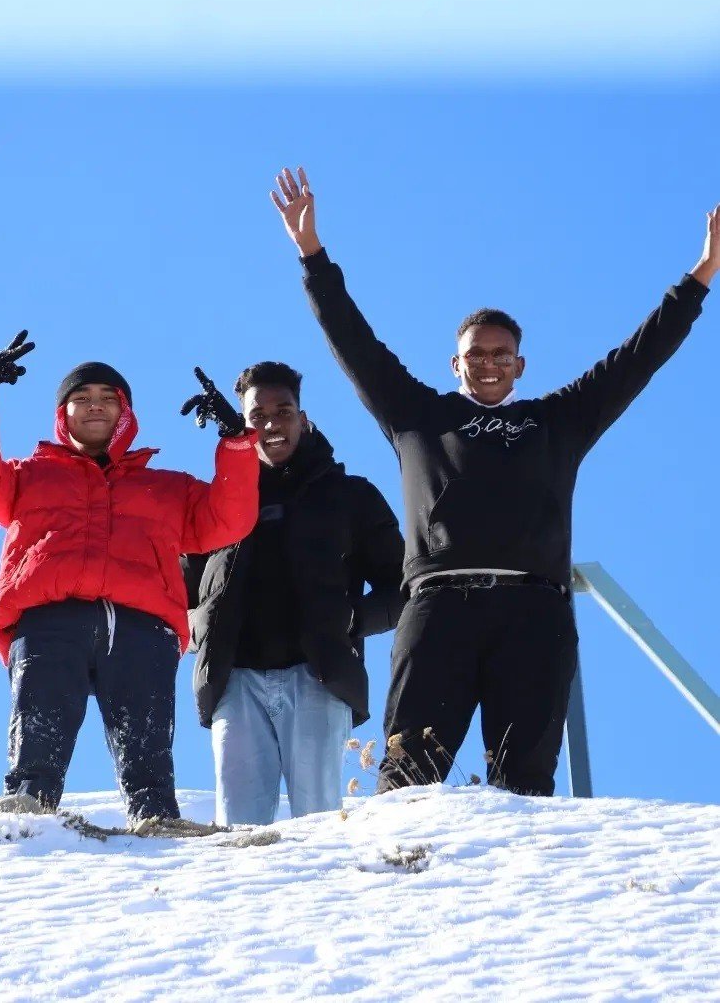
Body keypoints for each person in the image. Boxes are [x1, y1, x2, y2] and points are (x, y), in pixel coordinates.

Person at [272, 166, 717, 796]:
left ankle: (521, 895)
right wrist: (312, 255)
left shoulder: (556, 422)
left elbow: (635, 359)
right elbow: (355, 342)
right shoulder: (417, 416)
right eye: (475, 354)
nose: (488, 364)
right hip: (438, 607)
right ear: (454, 362)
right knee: (409, 776)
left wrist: (700, 276)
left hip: (534, 610)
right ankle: (397, 886)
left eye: (500, 355)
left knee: (526, 782)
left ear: (519, 366)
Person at [0, 334, 258, 823]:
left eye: (107, 399)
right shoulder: (29, 476)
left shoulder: (166, 487)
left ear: (125, 413)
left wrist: (237, 443)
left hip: (141, 626)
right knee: (38, 735)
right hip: (49, 619)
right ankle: (28, 811)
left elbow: (229, 518)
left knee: (147, 745)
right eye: (81, 398)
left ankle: (156, 816)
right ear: (62, 413)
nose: (95, 406)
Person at [183, 361, 404, 825]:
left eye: (283, 412)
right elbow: (178, 589)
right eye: (256, 416)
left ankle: (327, 899)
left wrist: (352, 621)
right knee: (237, 833)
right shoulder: (216, 503)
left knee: (320, 824)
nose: (270, 425)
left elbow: (402, 587)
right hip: (234, 680)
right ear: (242, 425)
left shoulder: (351, 497)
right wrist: (198, 628)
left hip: (318, 678)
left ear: (303, 419)